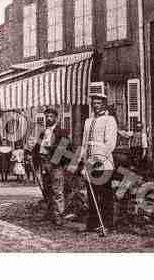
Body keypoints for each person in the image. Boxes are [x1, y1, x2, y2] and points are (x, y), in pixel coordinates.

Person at [80, 92, 118, 233]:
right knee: (91, 194)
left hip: (103, 162)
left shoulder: (110, 120)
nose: (96, 106)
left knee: (105, 193)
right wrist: (83, 162)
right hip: (89, 161)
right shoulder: (88, 121)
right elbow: (84, 143)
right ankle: (93, 223)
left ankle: (107, 224)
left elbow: (110, 144)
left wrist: (99, 160)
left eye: (98, 103)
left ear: (104, 104)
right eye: (94, 103)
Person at [33, 107, 71, 225]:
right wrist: (32, 155)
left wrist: (54, 162)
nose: (48, 119)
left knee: (57, 190)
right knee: (47, 189)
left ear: (56, 118)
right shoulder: (43, 132)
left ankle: (59, 215)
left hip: (55, 164)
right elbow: (37, 148)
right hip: (44, 163)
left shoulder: (62, 132)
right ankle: (50, 213)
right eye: (47, 117)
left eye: (51, 117)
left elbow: (65, 148)